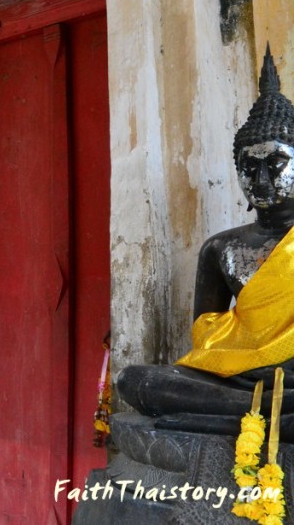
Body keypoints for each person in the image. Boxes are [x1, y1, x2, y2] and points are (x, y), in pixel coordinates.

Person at [118, 46, 294, 436]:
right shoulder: (220, 249)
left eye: (275, 164)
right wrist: (251, 358)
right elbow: (206, 336)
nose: (261, 180)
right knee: (136, 380)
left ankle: (253, 411)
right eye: (249, 168)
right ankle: (267, 410)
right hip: (236, 375)